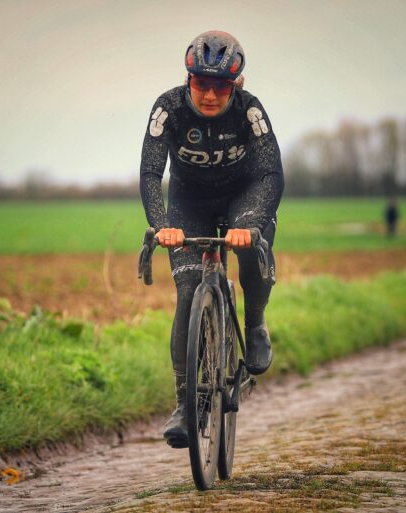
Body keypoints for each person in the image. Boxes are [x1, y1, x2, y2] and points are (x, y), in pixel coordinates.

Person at [139, 30, 284, 448]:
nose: (209, 95)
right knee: (187, 291)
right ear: (189, 80)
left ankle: (254, 323)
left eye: (220, 87)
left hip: (245, 197)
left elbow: (272, 173)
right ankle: (185, 404)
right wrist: (161, 223)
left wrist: (252, 222)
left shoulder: (250, 110)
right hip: (190, 202)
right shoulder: (167, 109)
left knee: (252, 256)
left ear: (234, 85)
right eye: (202, 84)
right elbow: (151, 173)